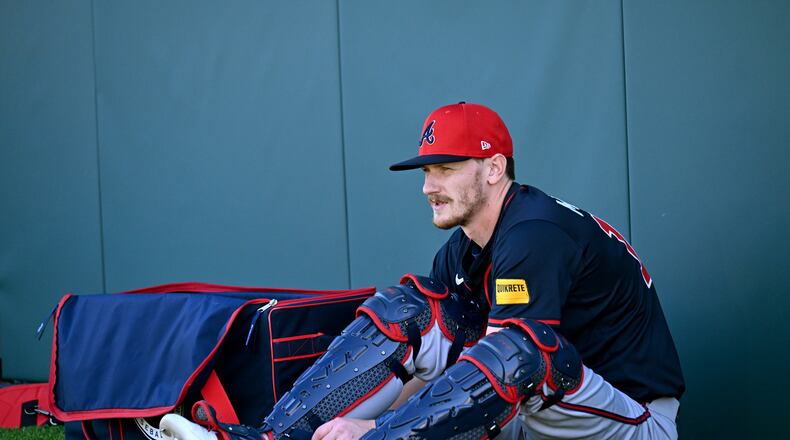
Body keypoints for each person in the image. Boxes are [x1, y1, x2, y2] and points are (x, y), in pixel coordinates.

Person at [160, 103, 685, 440]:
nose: (429, 186)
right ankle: (270, 439)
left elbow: (509, 365)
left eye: (447, 169)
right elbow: (450, 375)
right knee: (410, 308)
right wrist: (370, 422)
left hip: (628, 418)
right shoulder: (462, 249)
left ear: (494, 169)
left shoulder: (534, 234)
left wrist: (374, 432)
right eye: (428, 170)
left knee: (514, 350)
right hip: (538, 406)